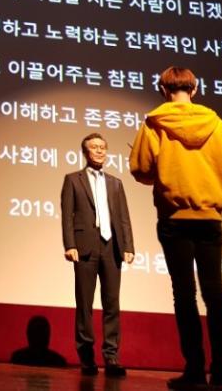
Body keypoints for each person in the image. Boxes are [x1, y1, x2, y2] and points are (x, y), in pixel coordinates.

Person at [128, 66, 222, 391]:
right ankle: (220, 376)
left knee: (184, 294)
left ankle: (195, 371)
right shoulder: (215, 123)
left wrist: (166, 175)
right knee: (215, 293)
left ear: (163, 90)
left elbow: (140, 168)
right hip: (210, 218)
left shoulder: (154, 123)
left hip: (174, 219)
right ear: (194, 90)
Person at [61, 132, 135, 376]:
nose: (100, 151)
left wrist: (128, 247)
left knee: (112, 303)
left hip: (112, 247)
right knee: (84, 304)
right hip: (84, 248)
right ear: (85, 152)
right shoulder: (73, 180)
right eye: (94, 147)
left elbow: (123, 218)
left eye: (103, 147)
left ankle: (111, 356)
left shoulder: (115, 183)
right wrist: (69, 244)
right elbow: (67, 216)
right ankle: (86, 357)